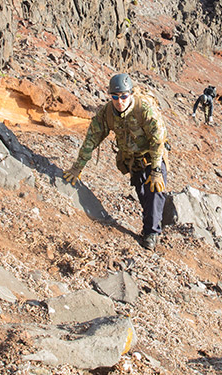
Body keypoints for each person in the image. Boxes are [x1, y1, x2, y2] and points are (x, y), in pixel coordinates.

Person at [63, 73, 168, 250]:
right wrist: (77, 168)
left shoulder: (144, 109)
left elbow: (158, 139)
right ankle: (150, 223)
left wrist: (157, 170)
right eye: (115, 97)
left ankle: (151, 233)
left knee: (155, 192)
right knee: (143, 196)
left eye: (124, 97)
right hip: (132, 162)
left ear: (131, 94)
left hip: (152, 158)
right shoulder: (107, 114)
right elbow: (91, 139)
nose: (120, 102)